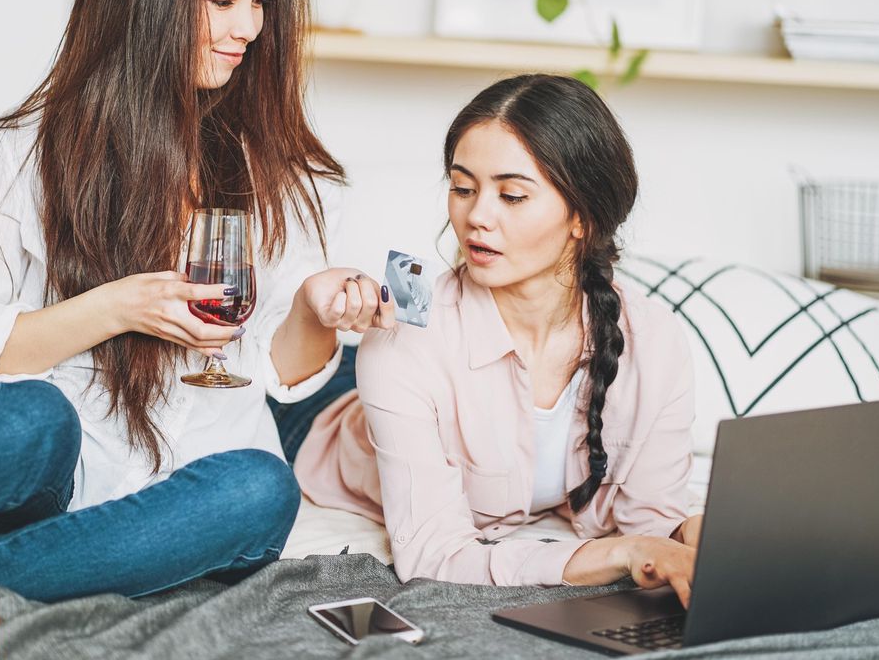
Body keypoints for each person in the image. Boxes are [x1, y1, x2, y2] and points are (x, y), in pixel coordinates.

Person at [0, 0, 392, 603]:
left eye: (260, 1)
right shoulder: (25, 154)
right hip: (55, 478)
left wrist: (312, 307)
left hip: (176, 499)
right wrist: (115, 307)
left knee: (261, 489)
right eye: (223, 0)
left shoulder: (263, 162)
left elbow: (273, 367)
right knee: (28, 416)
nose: (249, 28)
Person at [291, 74, 702, 606]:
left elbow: (653, 521)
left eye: (511, 195)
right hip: (315, 415)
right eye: (463, 189)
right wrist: (618, 554)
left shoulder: (654, 340)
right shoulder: (402, 338)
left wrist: (695, 534)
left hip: (410, 371)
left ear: (583, 217)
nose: (477, 217)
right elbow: (434, 554)